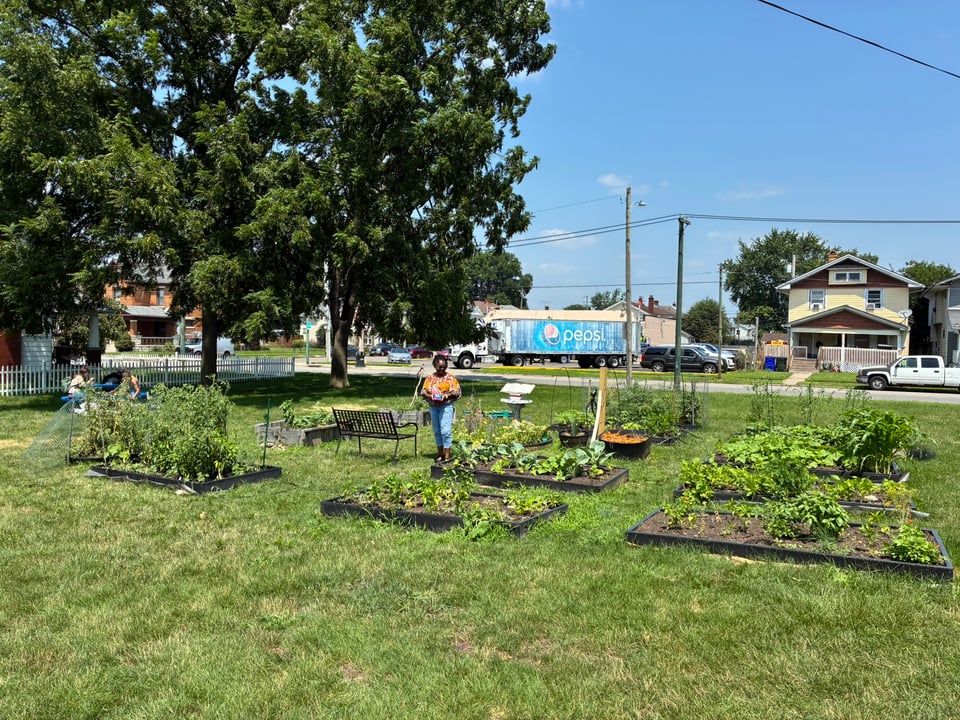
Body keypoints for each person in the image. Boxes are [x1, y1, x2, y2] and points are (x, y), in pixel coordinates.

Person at [421, 354, 462, 463]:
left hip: (446, 406)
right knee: (437, 431)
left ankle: (447, 455)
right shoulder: (430, 378)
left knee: (446, 431)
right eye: (440, 367)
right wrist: (430, 396)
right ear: (435, 366)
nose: (442, 369)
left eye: (444, 367)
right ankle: (440, 454)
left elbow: (457, 392)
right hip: (434, 407)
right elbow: (423, 391)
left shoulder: (450, 378)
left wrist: (446, 396)